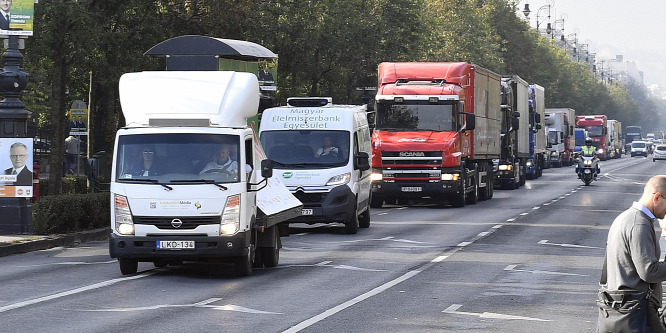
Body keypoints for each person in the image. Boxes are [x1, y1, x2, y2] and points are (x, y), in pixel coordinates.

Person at [599, 175, 666, 332]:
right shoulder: (639, 223)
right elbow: (649, 272)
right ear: (657, 197)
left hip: (616, 310)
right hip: (636, 312)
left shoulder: (625, 217)